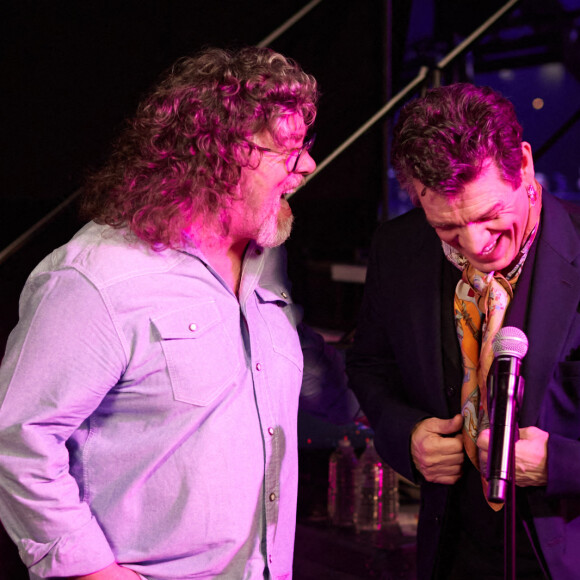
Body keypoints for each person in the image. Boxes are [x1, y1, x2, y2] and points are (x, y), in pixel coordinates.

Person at [0, 47, 359, 580]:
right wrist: (91, 570)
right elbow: (17, 438)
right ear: (219, 156)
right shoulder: (97, 277)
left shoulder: (266, 264)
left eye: (304, 146)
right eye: (287, 151)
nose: (307, 165)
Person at [346, 82, 580, 579]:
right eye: (447, 227)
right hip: (453, 553)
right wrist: (405, 435)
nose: (475, 244)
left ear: (524, 164)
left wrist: (561, 464)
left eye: (490, 215)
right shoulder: (398, 248)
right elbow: (370, 365)